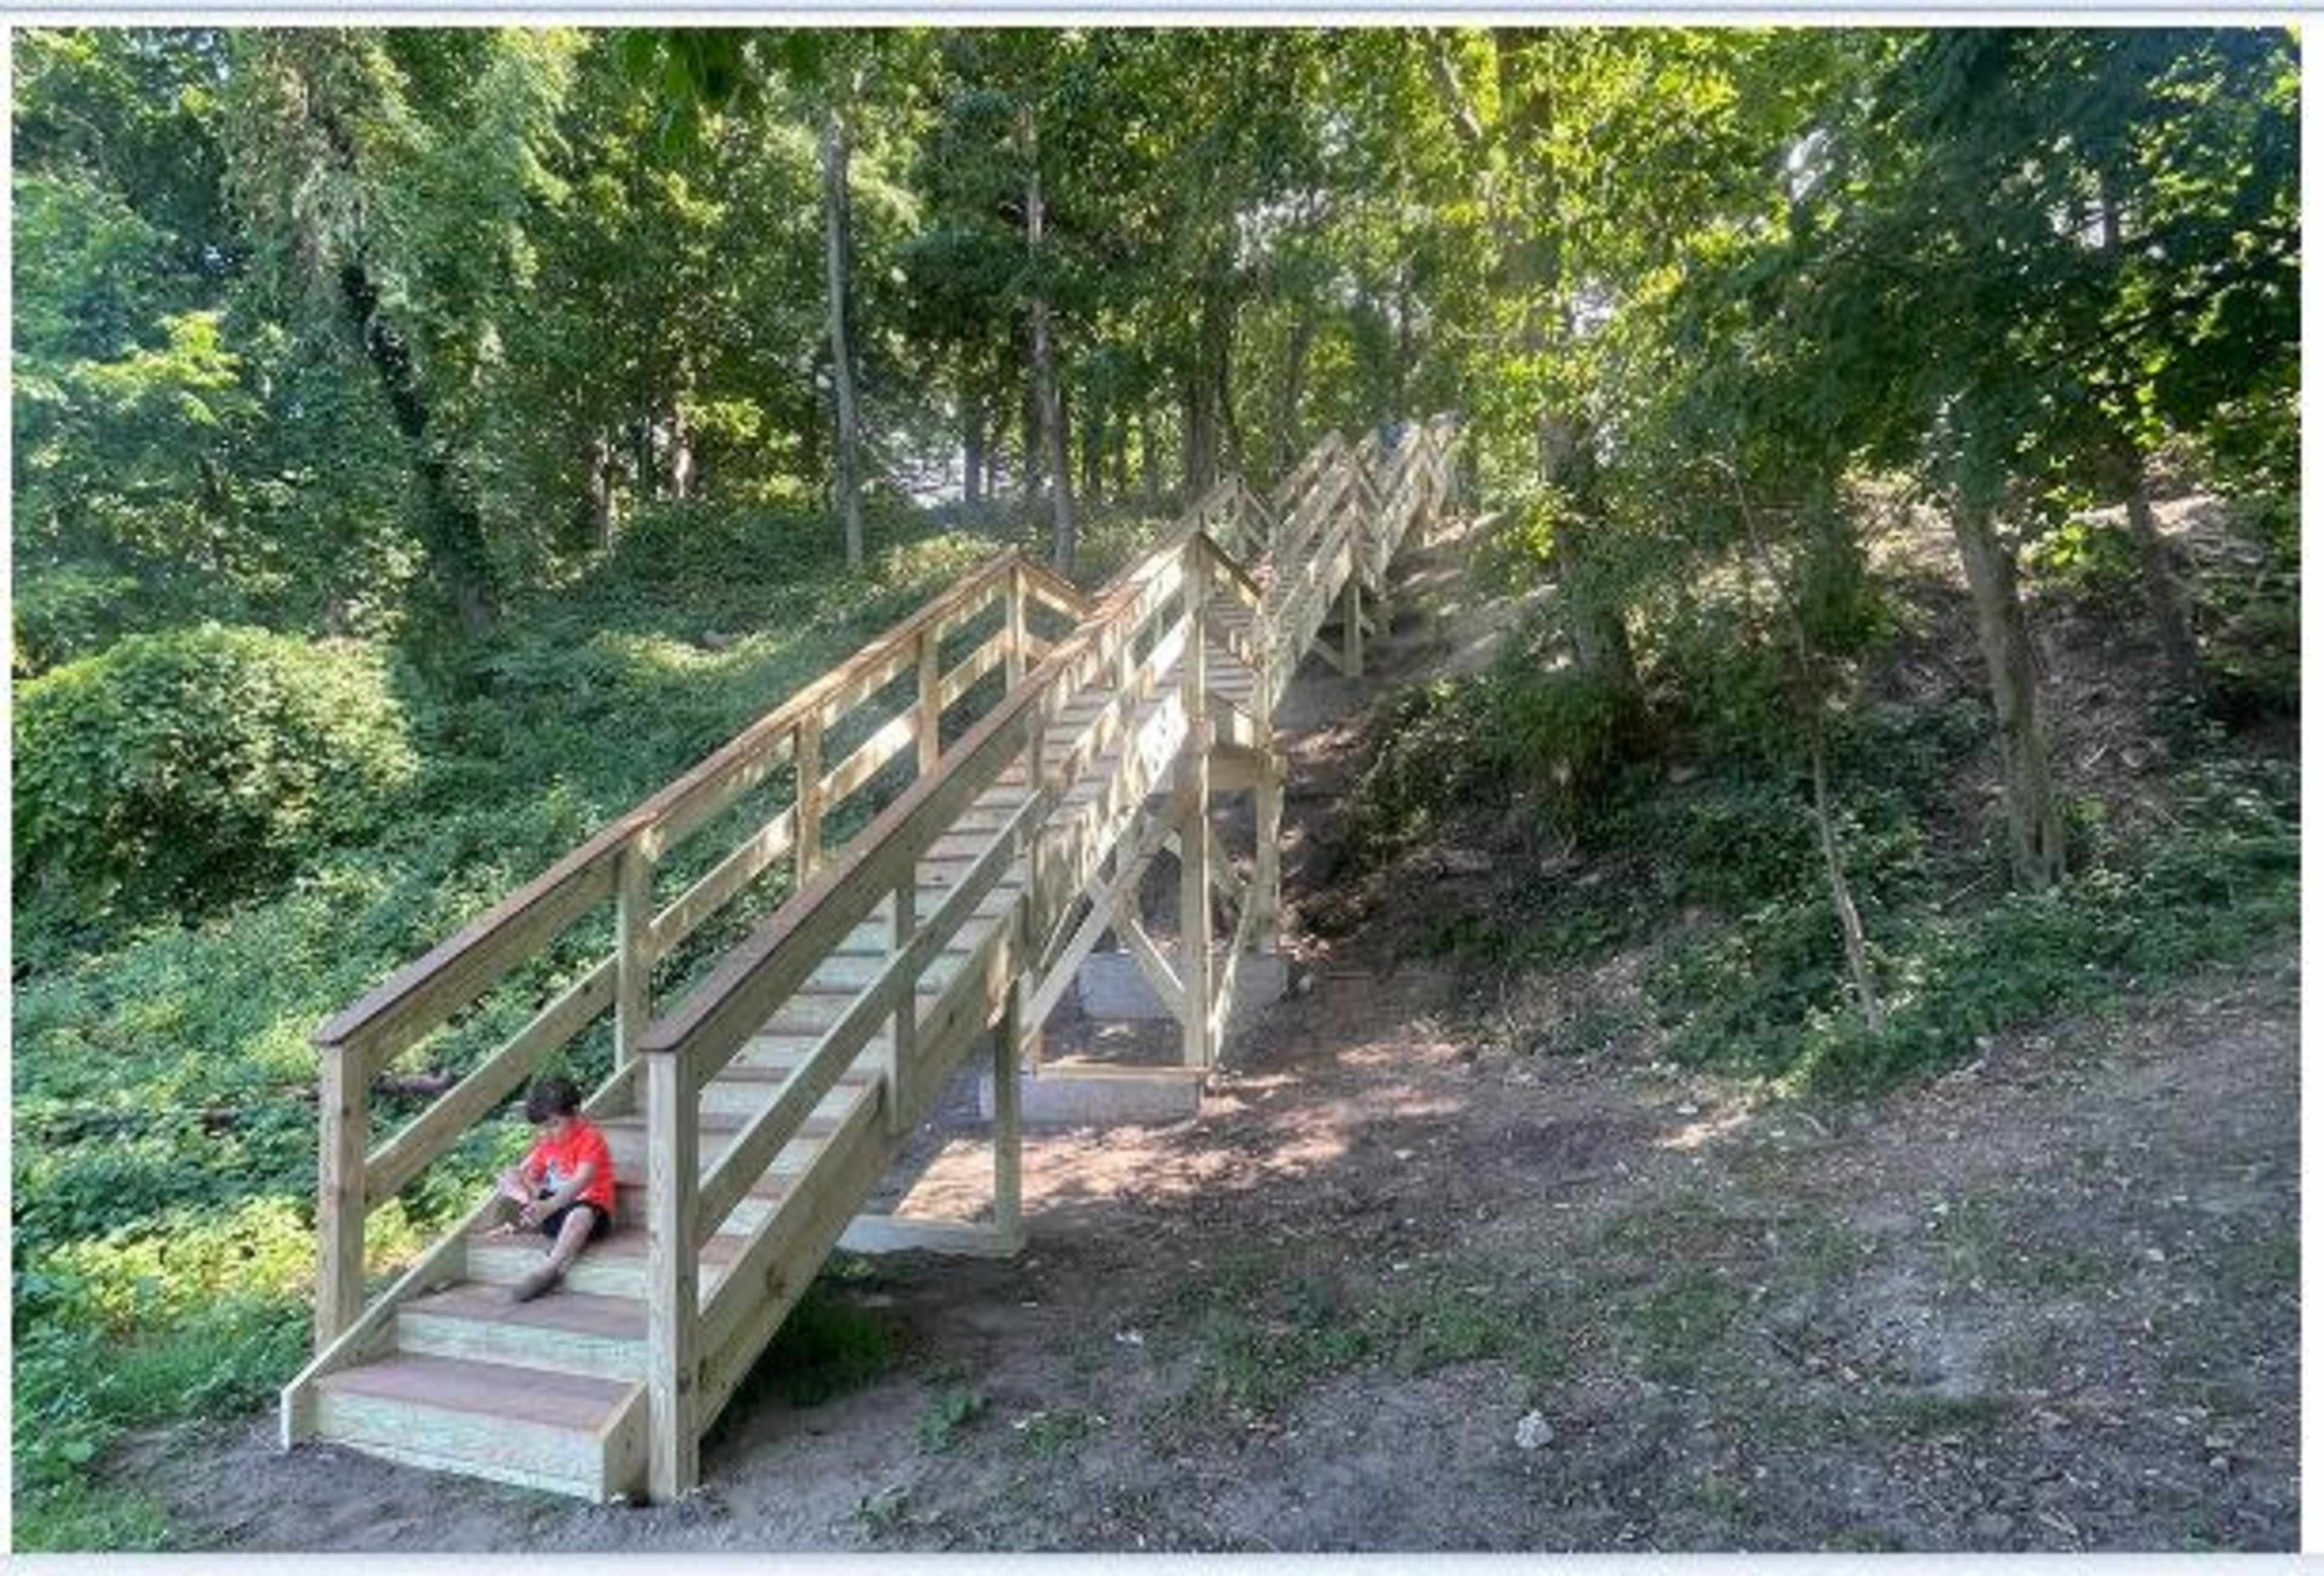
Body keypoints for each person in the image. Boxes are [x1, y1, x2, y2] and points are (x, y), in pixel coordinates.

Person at [492, 1074, 615, 1303]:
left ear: (576, 1113)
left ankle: (550, 1270)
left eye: (554, 1124)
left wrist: (549, 1205)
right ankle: (523, 1220)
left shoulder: (591, 1138)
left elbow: (582, 1180)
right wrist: (520, 1185)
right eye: (542, 1128)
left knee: (581, 1214)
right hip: (551, 1211)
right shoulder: (546, 1143)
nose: (547, 1133)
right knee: (510, 1175)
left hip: (590, 1212)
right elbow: (530, 1175)